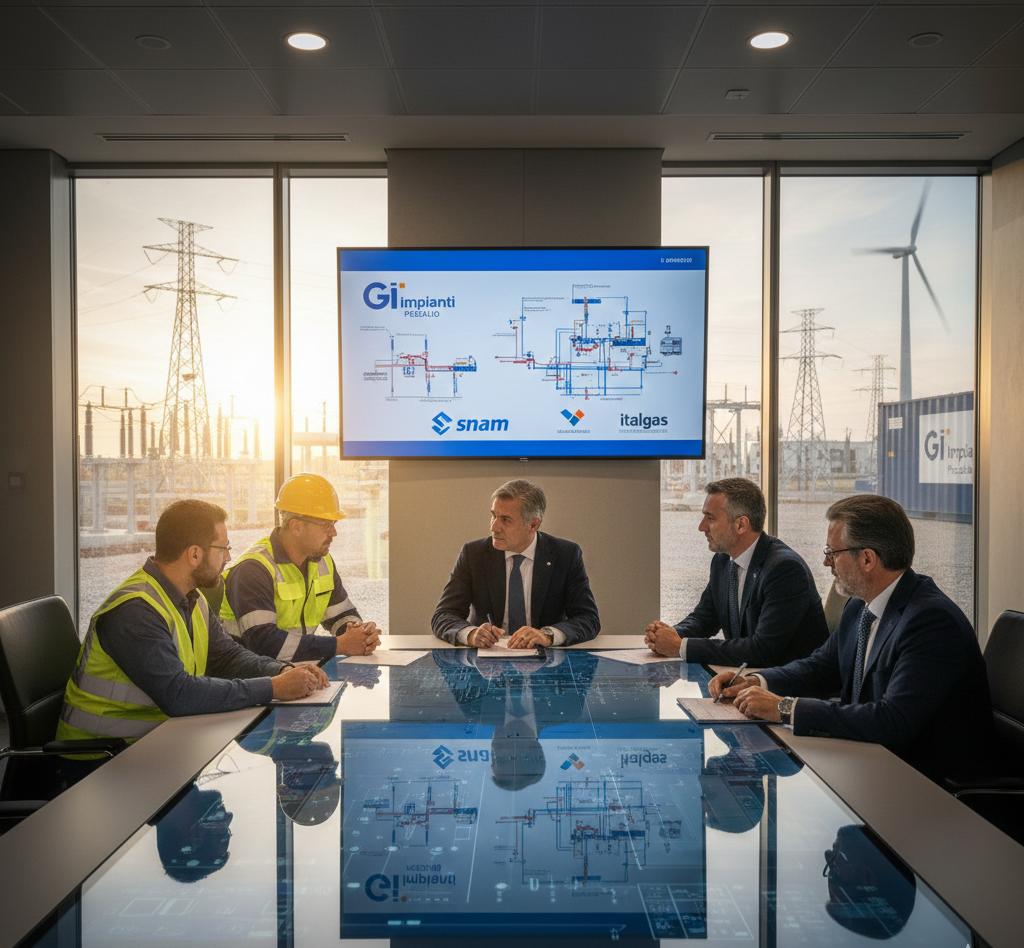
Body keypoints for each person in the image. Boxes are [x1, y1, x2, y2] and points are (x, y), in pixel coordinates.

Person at [710, 494, 995, 786]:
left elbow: (891, 721)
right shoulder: (860, 605)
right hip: (867, 764)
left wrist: (784, 707)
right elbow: (819, 668)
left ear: (868, 558)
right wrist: (756, 682)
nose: (824, 562)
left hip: (925, 786)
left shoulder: (932, 621)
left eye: (832, 552)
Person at [57, 499, 328, 752]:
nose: (228, 558)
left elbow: (227, 656)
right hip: (99, 762)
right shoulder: (135, 611)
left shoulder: (191, 598)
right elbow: (179, 695)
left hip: (157, 746)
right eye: (223, 548)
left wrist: (283, 670)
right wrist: (273, 686)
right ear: (195, 555)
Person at [645, 478, 827, 666]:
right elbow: (705, 618)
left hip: (781, 687)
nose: (701, 527)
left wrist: (681, 647)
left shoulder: (785, 570)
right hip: (745, 680)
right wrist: (668, 635)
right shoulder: (723, 559)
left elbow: (761, 650)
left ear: (741, 524)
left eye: (710, 518)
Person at [220, 473, 380, 662]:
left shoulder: (321, 561)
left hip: (294, 673)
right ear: (296, 527)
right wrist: (340, 645)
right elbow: (264, 644)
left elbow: (341, 614)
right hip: (253, 681)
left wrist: (360, 633)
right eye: (326, 525)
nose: (334, 533)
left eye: (334, 524)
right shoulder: (253, 569)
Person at [431, 478, 600, 648]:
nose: (494, 527)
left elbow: (588, 618)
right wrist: (470, 633)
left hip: (546, 663)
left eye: (506, 520)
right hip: (488, 663)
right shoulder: (473, 554)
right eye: (493, 516)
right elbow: (443, 615)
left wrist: (547, 635)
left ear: (533, 525)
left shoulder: (565, 555)